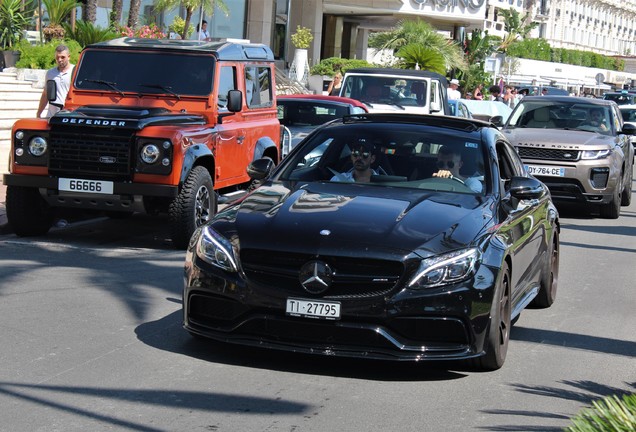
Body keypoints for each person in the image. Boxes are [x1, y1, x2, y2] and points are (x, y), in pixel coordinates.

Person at [36, 44, 74, 119]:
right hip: (52, 116)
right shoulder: (50, 73)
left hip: (69, 116)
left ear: (68, 57)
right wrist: (39, 112)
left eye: (62, 57)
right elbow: (45, 94)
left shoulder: (75, 71)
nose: (59, 60)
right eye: (57, 57)